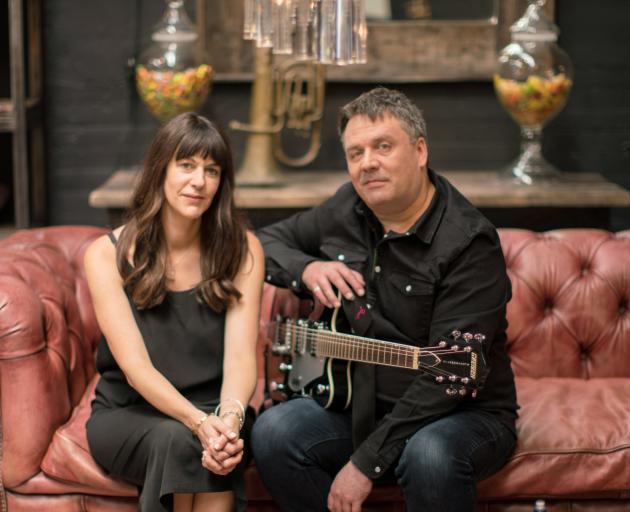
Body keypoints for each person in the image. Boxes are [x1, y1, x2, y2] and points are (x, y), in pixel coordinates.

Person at [251, 87, 518, 512]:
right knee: (273, 432)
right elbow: (262, 243)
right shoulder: (346, 207)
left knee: (428, 454)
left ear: (420, 150)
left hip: (460, 414)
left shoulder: (469, 243)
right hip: (358, 408)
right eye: (355, 153)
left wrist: (365, 463)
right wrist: (308, 268)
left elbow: (447, 381)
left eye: (383, 147)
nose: (367, 163)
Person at [85, 112, 264, 512]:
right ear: (160, 170)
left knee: (216, 448)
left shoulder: (244, 249)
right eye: (186, 165)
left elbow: (240, 358)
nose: (199, 181)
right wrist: (199, 424)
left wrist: (228, 423)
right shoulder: (105, 255)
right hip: (129, 413)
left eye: (211, 170)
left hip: (218, 409)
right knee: (181, 441)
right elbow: (136, 369)